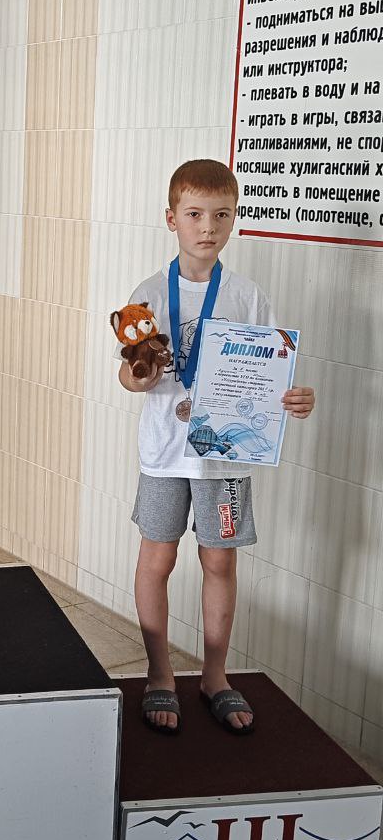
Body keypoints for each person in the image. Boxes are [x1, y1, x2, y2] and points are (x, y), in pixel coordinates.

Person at [119, 160, 315, 734]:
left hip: (223, 454)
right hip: (164, 451)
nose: (208, 227)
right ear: (171, 219)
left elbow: (270, 379)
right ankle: (159, 672)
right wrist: (142, 373)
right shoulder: (148, 294)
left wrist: (294, 398)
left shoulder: (248, 298)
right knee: (157, 559)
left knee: (220, 560)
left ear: (234, 219)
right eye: (195, 214)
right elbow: (128, 378)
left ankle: (214, 675)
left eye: (221, 215)